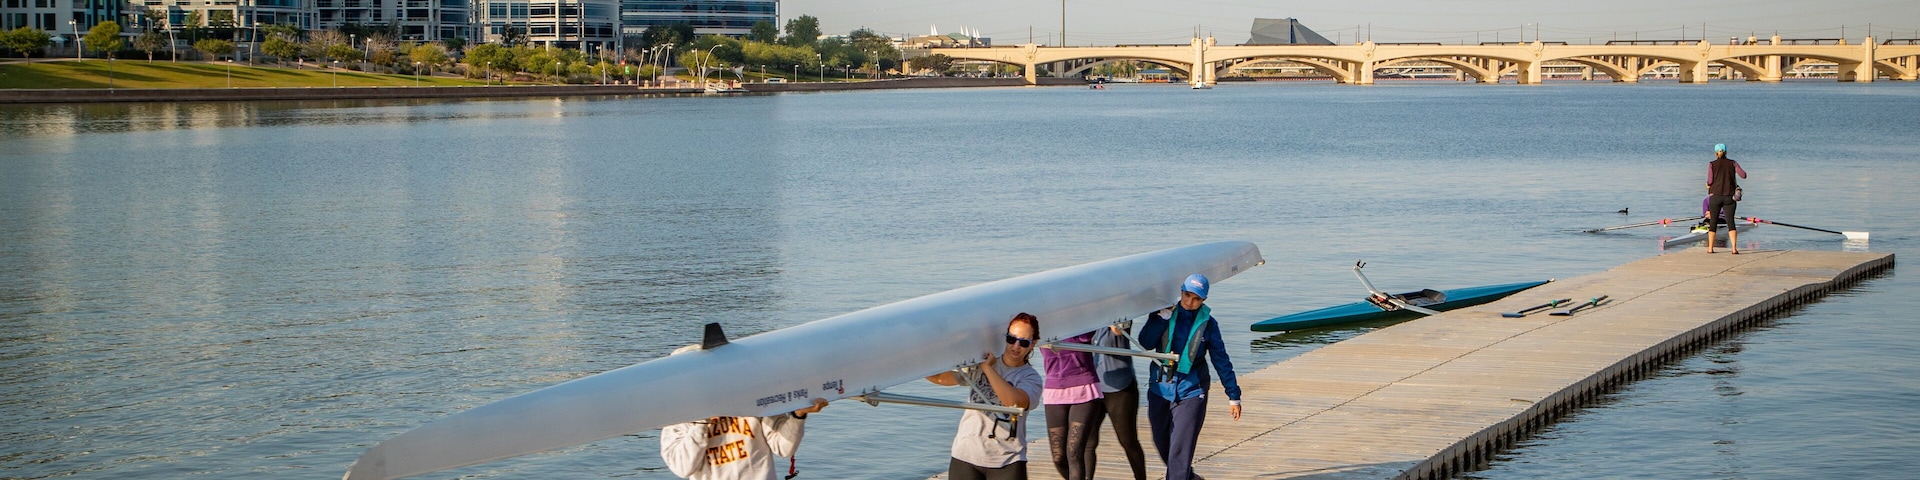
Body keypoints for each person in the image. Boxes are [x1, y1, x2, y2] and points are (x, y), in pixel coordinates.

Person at [661, 344, 830, 480]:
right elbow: (682, 467)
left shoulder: (755, 401)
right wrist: (701, 423)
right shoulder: (676, 419)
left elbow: (784, 449)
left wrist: (797, 416)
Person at [1138, 274, 1242, 480]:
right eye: (1186, 295)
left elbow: (1221, 360)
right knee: (1162, 443)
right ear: (1181, 292)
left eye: (1196, 299)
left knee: (1180, 450)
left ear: (1204, 300)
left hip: (1192, 390)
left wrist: (1233, 395)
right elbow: (1145, 342)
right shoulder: (1163, 314)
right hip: (1160, 387)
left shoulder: (1209, 325)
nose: (1189, 302)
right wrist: (1161, 319)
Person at [926, 312, 1046, 480]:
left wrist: (988, 368)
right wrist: (918, 360)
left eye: (1023, 342)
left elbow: (1015, 403)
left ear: (1033, 344)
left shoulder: (1030, 377)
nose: (1016, 346)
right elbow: (941, 378)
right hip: (966, 455)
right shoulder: (979, 364)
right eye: (1011, 339)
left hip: (1007, 459)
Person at [1086, 321, 1149, 480]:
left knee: (1128, 441)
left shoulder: (1119, 312)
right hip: (1093, 387)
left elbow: (1118, 330)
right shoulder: (1086, 319)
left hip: (1120, 389)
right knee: (1088, 442)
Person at [1041, 329, 1103, 480]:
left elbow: (1087, 333)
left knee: (1074, 452)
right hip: (1054, 390)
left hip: (1083, 386)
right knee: (1058, 457)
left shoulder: (1076, 318)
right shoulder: (1043, 321)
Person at [1705, 143, 1748, 254]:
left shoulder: (1711, 164)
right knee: (1731, 222)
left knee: (1713, 222)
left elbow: (1710, 181)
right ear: (1726, 152)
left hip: (1715, 197)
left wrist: (1708, 185)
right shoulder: (1733, 163)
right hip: (1729, 197)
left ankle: (1710, 249)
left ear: (1715, 153)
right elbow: (1743, 175)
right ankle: (1734, 249)